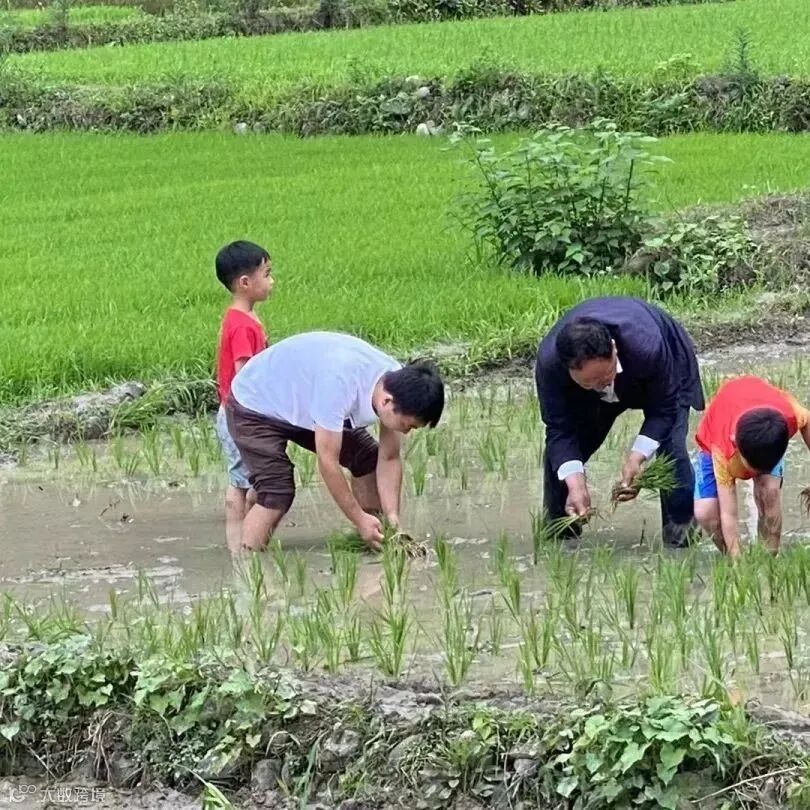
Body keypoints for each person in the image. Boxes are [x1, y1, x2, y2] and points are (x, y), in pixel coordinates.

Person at [226, 331, 444, 551]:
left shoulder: (397, 383)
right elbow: (328, 463)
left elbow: (389, 457)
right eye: (407, 425)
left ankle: (376, 538)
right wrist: (358, 518)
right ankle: (247, 562)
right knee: (276, 490)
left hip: (303, 401)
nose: (406, 432)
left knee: (367, 459)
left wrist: (393, 517)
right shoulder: (339, 385)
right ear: (387, 402)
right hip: (254, 402)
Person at [535, 296, 704, 548]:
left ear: (614, 349)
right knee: (561, 461)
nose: (601, 387)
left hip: (661, 371)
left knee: (671, 451)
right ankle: (561, 535)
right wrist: (575, 481)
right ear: (568, 371)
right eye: (588, 383)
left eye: (604, 376)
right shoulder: (550, 367)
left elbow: (665, 409)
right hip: (594, 386)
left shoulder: (647, 346)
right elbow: (559, 429)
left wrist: (637, 458)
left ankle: (681, 538)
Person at [693, 375, 810, 557]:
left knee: (770, 493)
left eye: (764, 469)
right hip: (716, 436)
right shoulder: (723, 451)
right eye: (754, 469)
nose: (755, 474)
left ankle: (768, 559)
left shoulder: (790, 414)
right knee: (706, 513)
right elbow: (729, 514)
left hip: (765, 430)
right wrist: (738, 563)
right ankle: (732, 559)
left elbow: (807, 420)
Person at [213, 241, 273, 552]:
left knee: (248, 478)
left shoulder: (240, 318)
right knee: (241, 482)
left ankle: (248, 537)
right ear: (245, 283)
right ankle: (239, 545)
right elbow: (245, 375)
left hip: (238, 412)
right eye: (267, 273)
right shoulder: (243, 326)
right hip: (240, 414)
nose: (272, 281)